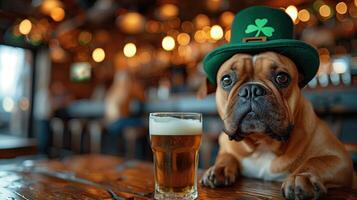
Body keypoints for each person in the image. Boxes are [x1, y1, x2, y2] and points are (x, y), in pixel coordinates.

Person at [104, 68, 145, 155]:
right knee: (145, 122)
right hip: (119, 122)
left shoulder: (112, 90)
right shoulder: (127, 89)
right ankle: (141, 155)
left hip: (109, 123)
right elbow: (142, 97)